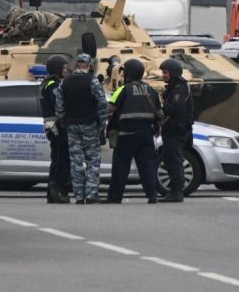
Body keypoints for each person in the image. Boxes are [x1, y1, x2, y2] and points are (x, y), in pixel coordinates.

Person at [104, 59, 161, 204]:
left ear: (127, 73)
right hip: (146, 135)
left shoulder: (123, 90)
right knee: (147, 167)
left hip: (126, 136)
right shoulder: (152, 90)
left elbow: (110, 109)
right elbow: (160, 111)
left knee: (121, 168)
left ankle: (115, 197)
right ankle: (152, 196)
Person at [55, 53, 108, 205]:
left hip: (72, 126)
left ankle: (78, 195)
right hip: (90, 125)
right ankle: (91, 194)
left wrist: (63, 121)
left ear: (76, 65)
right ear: (89, 65)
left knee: (76, 161)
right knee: (92, 160)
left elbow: (59, 107)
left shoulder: (64, 82)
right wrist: (102, 122)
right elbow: (102, 103)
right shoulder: (92, 81)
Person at [159, 58, 194, 203]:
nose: (163, 75)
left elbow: (176, 109)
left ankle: (177, 192)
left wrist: (162, 105)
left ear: (173, 73)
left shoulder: (179, 88)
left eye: (166, 72)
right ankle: (174, 191)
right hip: (172, 130)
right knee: (170, 160)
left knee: (175, 161)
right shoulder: (174, 88)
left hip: (176, 131)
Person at [40, 54, 71, 204]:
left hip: (53, 126)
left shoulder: (47, 83)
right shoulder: (53, 85)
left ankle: (52, 192)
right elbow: (59, 106)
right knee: (61, 160)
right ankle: (57, 191)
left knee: (57, 160)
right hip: (58, 127)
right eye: (64, 67)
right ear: (57, 69)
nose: (67, 70)